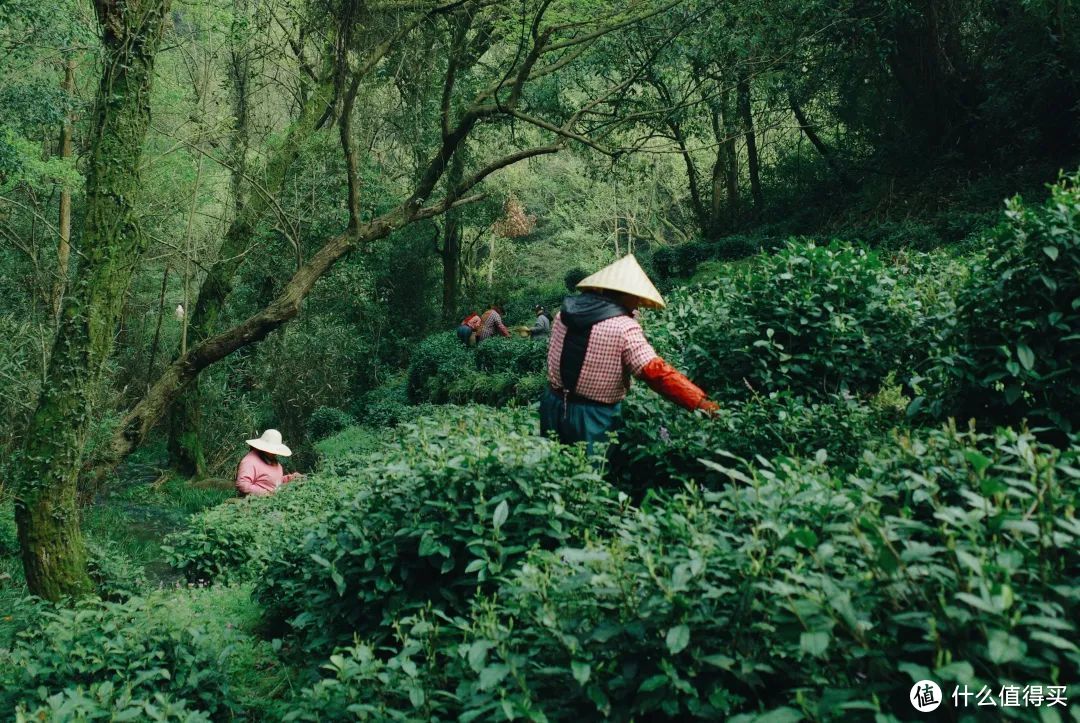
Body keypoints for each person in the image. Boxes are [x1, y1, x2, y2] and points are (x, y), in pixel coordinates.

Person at [540, 254, 719, 453]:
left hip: (553, 405)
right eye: (636, 297)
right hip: (593, 417)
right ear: (621, 294)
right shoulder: (624, 328)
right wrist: (702, 403)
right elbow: (656, 373)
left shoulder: (563, 314)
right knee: (590, 475)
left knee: (553, 470)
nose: (638, 304)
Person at [236, 428, 304, 496]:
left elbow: (274, 482)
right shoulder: (249, 461)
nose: (274, 453)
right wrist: (265, 493)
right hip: (255, 501)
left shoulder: (272, 460)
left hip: (273, 500)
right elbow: (243, 484)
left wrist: (291, 478)